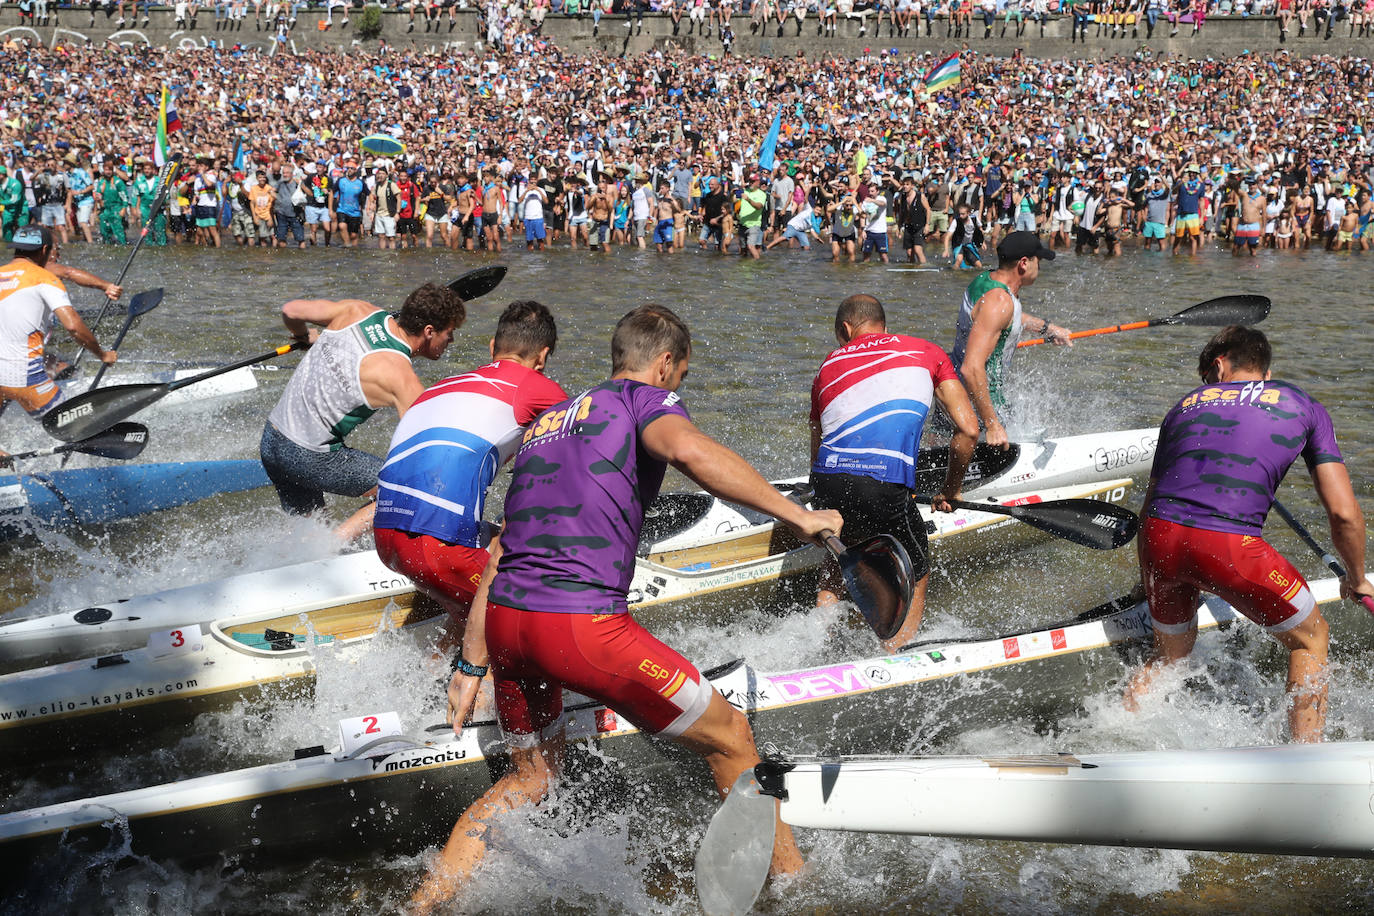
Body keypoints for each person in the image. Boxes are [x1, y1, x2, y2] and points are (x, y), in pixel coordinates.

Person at [410, 305, 835, 912]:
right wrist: (799, 515)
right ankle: (799, 893)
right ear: (665, 365)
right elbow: (690, 451)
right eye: (681, 377)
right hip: (580, 629)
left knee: (530, 777)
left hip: (505, 623)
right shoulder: (644, 402)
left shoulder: (549, 421)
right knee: (733, 737)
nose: (678, 388)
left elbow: (503, 547)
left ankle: (422, 905)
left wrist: (472, 662)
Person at [1124, 326, 1373, 744]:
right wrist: (1356, 575)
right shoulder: (1303, 404)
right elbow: (1343, 514)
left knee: (1171, 659)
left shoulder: (1183, 406)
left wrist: (1152, 576)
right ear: (1266, 370)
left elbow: (1152, 503)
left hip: (1157, 540)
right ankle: (1306, 760)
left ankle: (1121, 734)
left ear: (1219, 365)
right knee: (1311, 637)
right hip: (1228, 547)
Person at [374, 300, 566, 649]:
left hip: (385, 538)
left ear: (492, 348)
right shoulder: (538, 388)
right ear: (542, 356)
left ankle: (436, 670)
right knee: (518, 621)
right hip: (440, 548)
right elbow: (587, 452)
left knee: (475, 592)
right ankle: (482, 695)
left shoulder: (440, 386)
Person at [809, 294, 979, 652]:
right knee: (915, 566)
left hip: (827, 479)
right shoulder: (928, 352)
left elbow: (817, 442)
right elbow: (968, 430)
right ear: (884, 325)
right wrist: (950, 490)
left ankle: (817, 640)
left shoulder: (827, 365)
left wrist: (821, 499)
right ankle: (896, 650)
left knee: (842, 544)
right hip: (882, 486)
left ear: (845, 329)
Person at [258, 283, 465, 542]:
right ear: (429, 331)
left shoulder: (357, 310)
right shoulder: (402, 378)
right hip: (309, 457)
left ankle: (303, 555)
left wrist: (302, 337)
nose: (452, 341)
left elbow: (291, 310)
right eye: (450, 333)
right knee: (410, 490)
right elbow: (426, 449)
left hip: (272, 440)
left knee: (306, 536)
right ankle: (333, 544)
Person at [949, 230, 1071, 448]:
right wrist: (992, 424)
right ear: (1024, 263)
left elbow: (1006, 317)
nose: (1039, 268)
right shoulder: (999, 301)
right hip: (978, 400)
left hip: (953, 391)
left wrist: (1046, 328)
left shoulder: (987, 281)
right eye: (1038, 261)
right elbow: (972, 368)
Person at [0, 227, 118, 420]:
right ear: (45, 249)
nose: (58, 255)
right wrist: (103, 355)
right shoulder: (44, 276)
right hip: (24, 376)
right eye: (55, 249)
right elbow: (73, 327)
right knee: (76, 425)